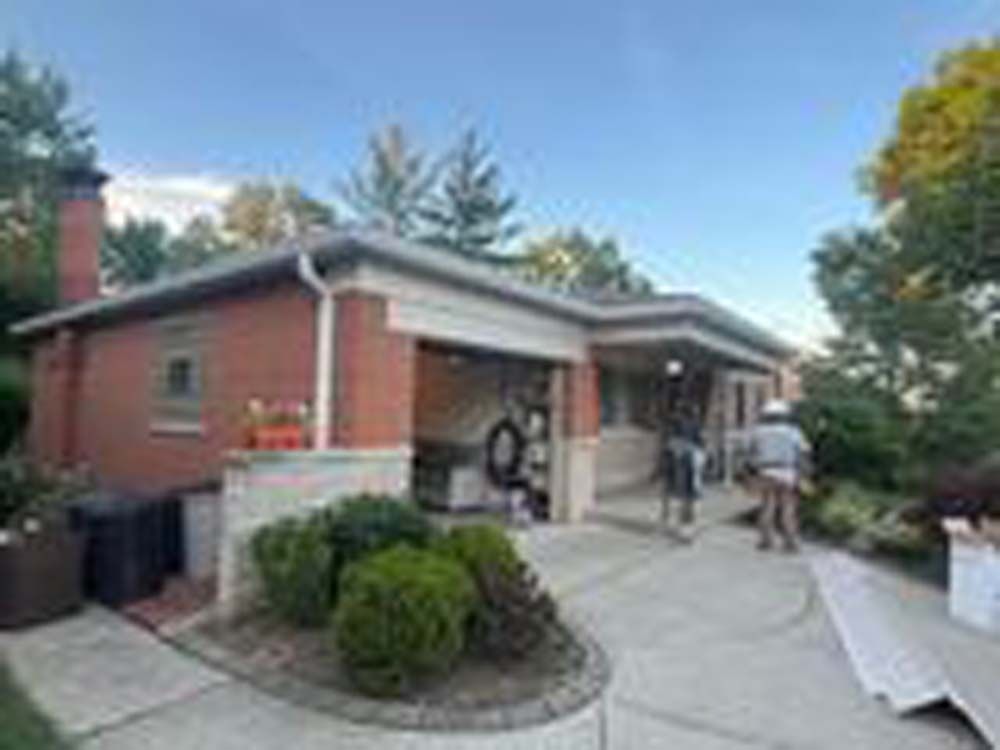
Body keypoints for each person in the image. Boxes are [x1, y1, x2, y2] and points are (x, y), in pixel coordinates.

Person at [747, 399, 811, 552]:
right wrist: (804, 472)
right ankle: (790, 542)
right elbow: (804, 452)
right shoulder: (793, 431)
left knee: (767, 506)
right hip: (787, 471)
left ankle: (765, 540)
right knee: (788, 507)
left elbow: (751, 453)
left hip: (766, 470)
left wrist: (751, 472)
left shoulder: (758, 432)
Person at [661, 407, 704, 542]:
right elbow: (700, 447)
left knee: (675, 498)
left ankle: (674, 524)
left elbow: (666, 463)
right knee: (688, 499)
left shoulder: (671, 444)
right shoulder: (691, 447)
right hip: (687, 473)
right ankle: (686, 530)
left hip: (677, 476)